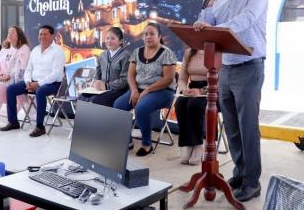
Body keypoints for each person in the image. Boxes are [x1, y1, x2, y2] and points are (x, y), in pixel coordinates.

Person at [193, 0, 267, 203]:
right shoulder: (219, 0)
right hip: (225, 68)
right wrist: (206, 6)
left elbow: (246, 20)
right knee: (232, 128)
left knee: (248, 128)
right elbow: (205, 24)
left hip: (249, 67)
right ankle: (239, 172)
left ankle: (252, 182)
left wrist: (219, 28)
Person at [113, 23, 176, 157]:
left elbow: (168, 79)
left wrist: (147, 91)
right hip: (138, 89)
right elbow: (130, 75)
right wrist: (135, 91)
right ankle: (127, 141)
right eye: (146, 34)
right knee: (118, 105)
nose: (148, 37)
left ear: (159, 36)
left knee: (141, 108)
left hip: (162, 91)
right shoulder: (137, 52)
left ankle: (147, 144)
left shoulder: (167, 53)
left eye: (152, 34)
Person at [1, 25, 65, 137]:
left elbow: (56, 74)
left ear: (52, 36)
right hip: (33, 82)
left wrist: (39, 84)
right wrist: (27, 82)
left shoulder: (57, 51)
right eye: (40, 34)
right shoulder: (35, 50)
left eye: (45, 34)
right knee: (10, 89)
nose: (42, 36)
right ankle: (13, 122)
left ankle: (40, 126)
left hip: (52, 84)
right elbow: (28, 69)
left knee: (40, 91)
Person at [79, 27, 130, 107]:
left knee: (96, 100)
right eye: (107, 38)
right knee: (82, 97)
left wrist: (107, 86)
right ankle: (84, 120)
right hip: (101, 90)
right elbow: (97, 73)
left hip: (118, 90)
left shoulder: (126, 56)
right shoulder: (102, 55)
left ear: (120, 41)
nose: (109, 41)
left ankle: (97, 119)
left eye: (113, 38)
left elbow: (125, 80)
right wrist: (96, 83)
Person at [175, 48, 208, 165]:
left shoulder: (216, 51)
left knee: (194, 104)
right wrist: (184, 90)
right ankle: (188, 143)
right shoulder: (189, 52)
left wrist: (201, 91)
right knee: (180, 103)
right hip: (192, 88)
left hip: (210, 90)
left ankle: (199, 144)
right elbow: (182, 78)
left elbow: (220, 80)